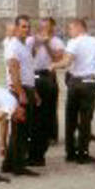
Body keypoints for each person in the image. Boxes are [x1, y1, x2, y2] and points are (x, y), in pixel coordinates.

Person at [54, 19, 95, 164]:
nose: (69, 32)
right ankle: (83, 153)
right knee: (85, 120)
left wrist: (52, 65)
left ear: (79, 27)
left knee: (70, 118)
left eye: (70, 29)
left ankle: (70, 153)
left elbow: (66, 62)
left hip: (75, 82)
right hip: (90, 83)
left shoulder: (74, 42)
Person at [3, 16, 39, 175]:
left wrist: (34, 92)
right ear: (16, 28)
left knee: (20, 130)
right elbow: (13, 70)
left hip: (27, 88)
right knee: (21, 130)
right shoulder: (13, 46)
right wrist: (21, 93)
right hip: (19, 90)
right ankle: (18, 166)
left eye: (28, 27)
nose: (26, 29)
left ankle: (9, 164)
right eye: (23, 27)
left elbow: (28, 71)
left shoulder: (24, 45)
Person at [26, 17, 64, 165]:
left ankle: (51, 135)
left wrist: (47, 44)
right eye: (42, 26)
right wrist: (37, 44)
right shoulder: (31, 40)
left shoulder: (57, 41)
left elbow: (57, 58)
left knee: (50, 107)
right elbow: (28, 57)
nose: (44, 29)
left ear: (52, 27)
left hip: (48, 75)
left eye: (47, 26)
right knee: (35, 110)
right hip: (34, 74)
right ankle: (36, 140)